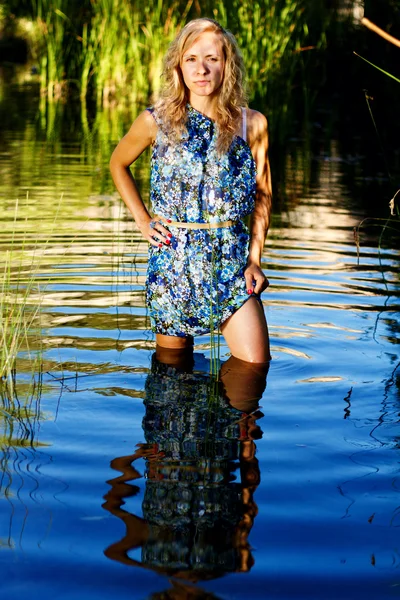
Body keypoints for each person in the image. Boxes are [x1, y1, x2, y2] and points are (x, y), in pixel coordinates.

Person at [110, 18, 272, 363]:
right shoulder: (155, 121)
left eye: (212, 59)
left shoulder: (252, 124)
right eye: (191, 59)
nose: (202, 69)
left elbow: (263, 195)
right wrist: (142, 220)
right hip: (174, 262)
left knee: (254, 370)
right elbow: (117, 164)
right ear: (178, 67)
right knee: (172, 377)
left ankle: (230, 416)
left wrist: (255, 260)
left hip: (232, 261)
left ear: (227, 65)